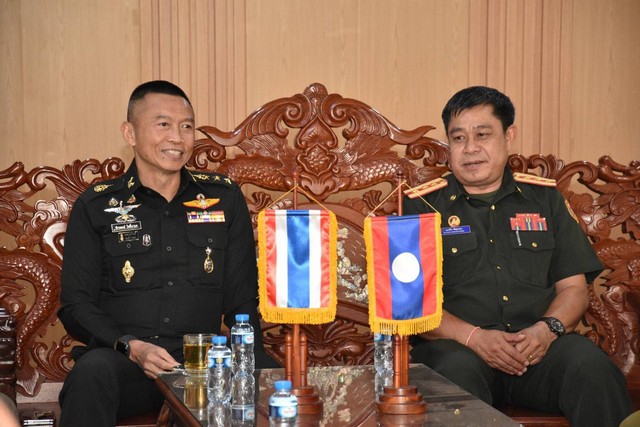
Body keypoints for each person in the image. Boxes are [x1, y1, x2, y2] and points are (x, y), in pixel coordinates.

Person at [404, 86, 632, 426]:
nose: (470, 148)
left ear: (509, 135)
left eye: (483, 135)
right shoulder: (420, 206)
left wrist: (546, 330)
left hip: (540, 350)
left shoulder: (545, 200)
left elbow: (574, 289)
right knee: (450, 377)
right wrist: (475, 338)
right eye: (459, 138)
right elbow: (410, 302)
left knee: (592, 368)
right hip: (460, 350)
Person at [58, 80, 277, 426]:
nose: (177, 137)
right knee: (91, 374)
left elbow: (242, 301)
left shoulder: (222, 198)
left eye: (187, 126)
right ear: (130, 133)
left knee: (271, 380)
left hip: (207, 366)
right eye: (163, 124)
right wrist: (131, 346)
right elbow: (76, 305)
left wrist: (249, 362)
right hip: (129, 364)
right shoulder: (97, 206)